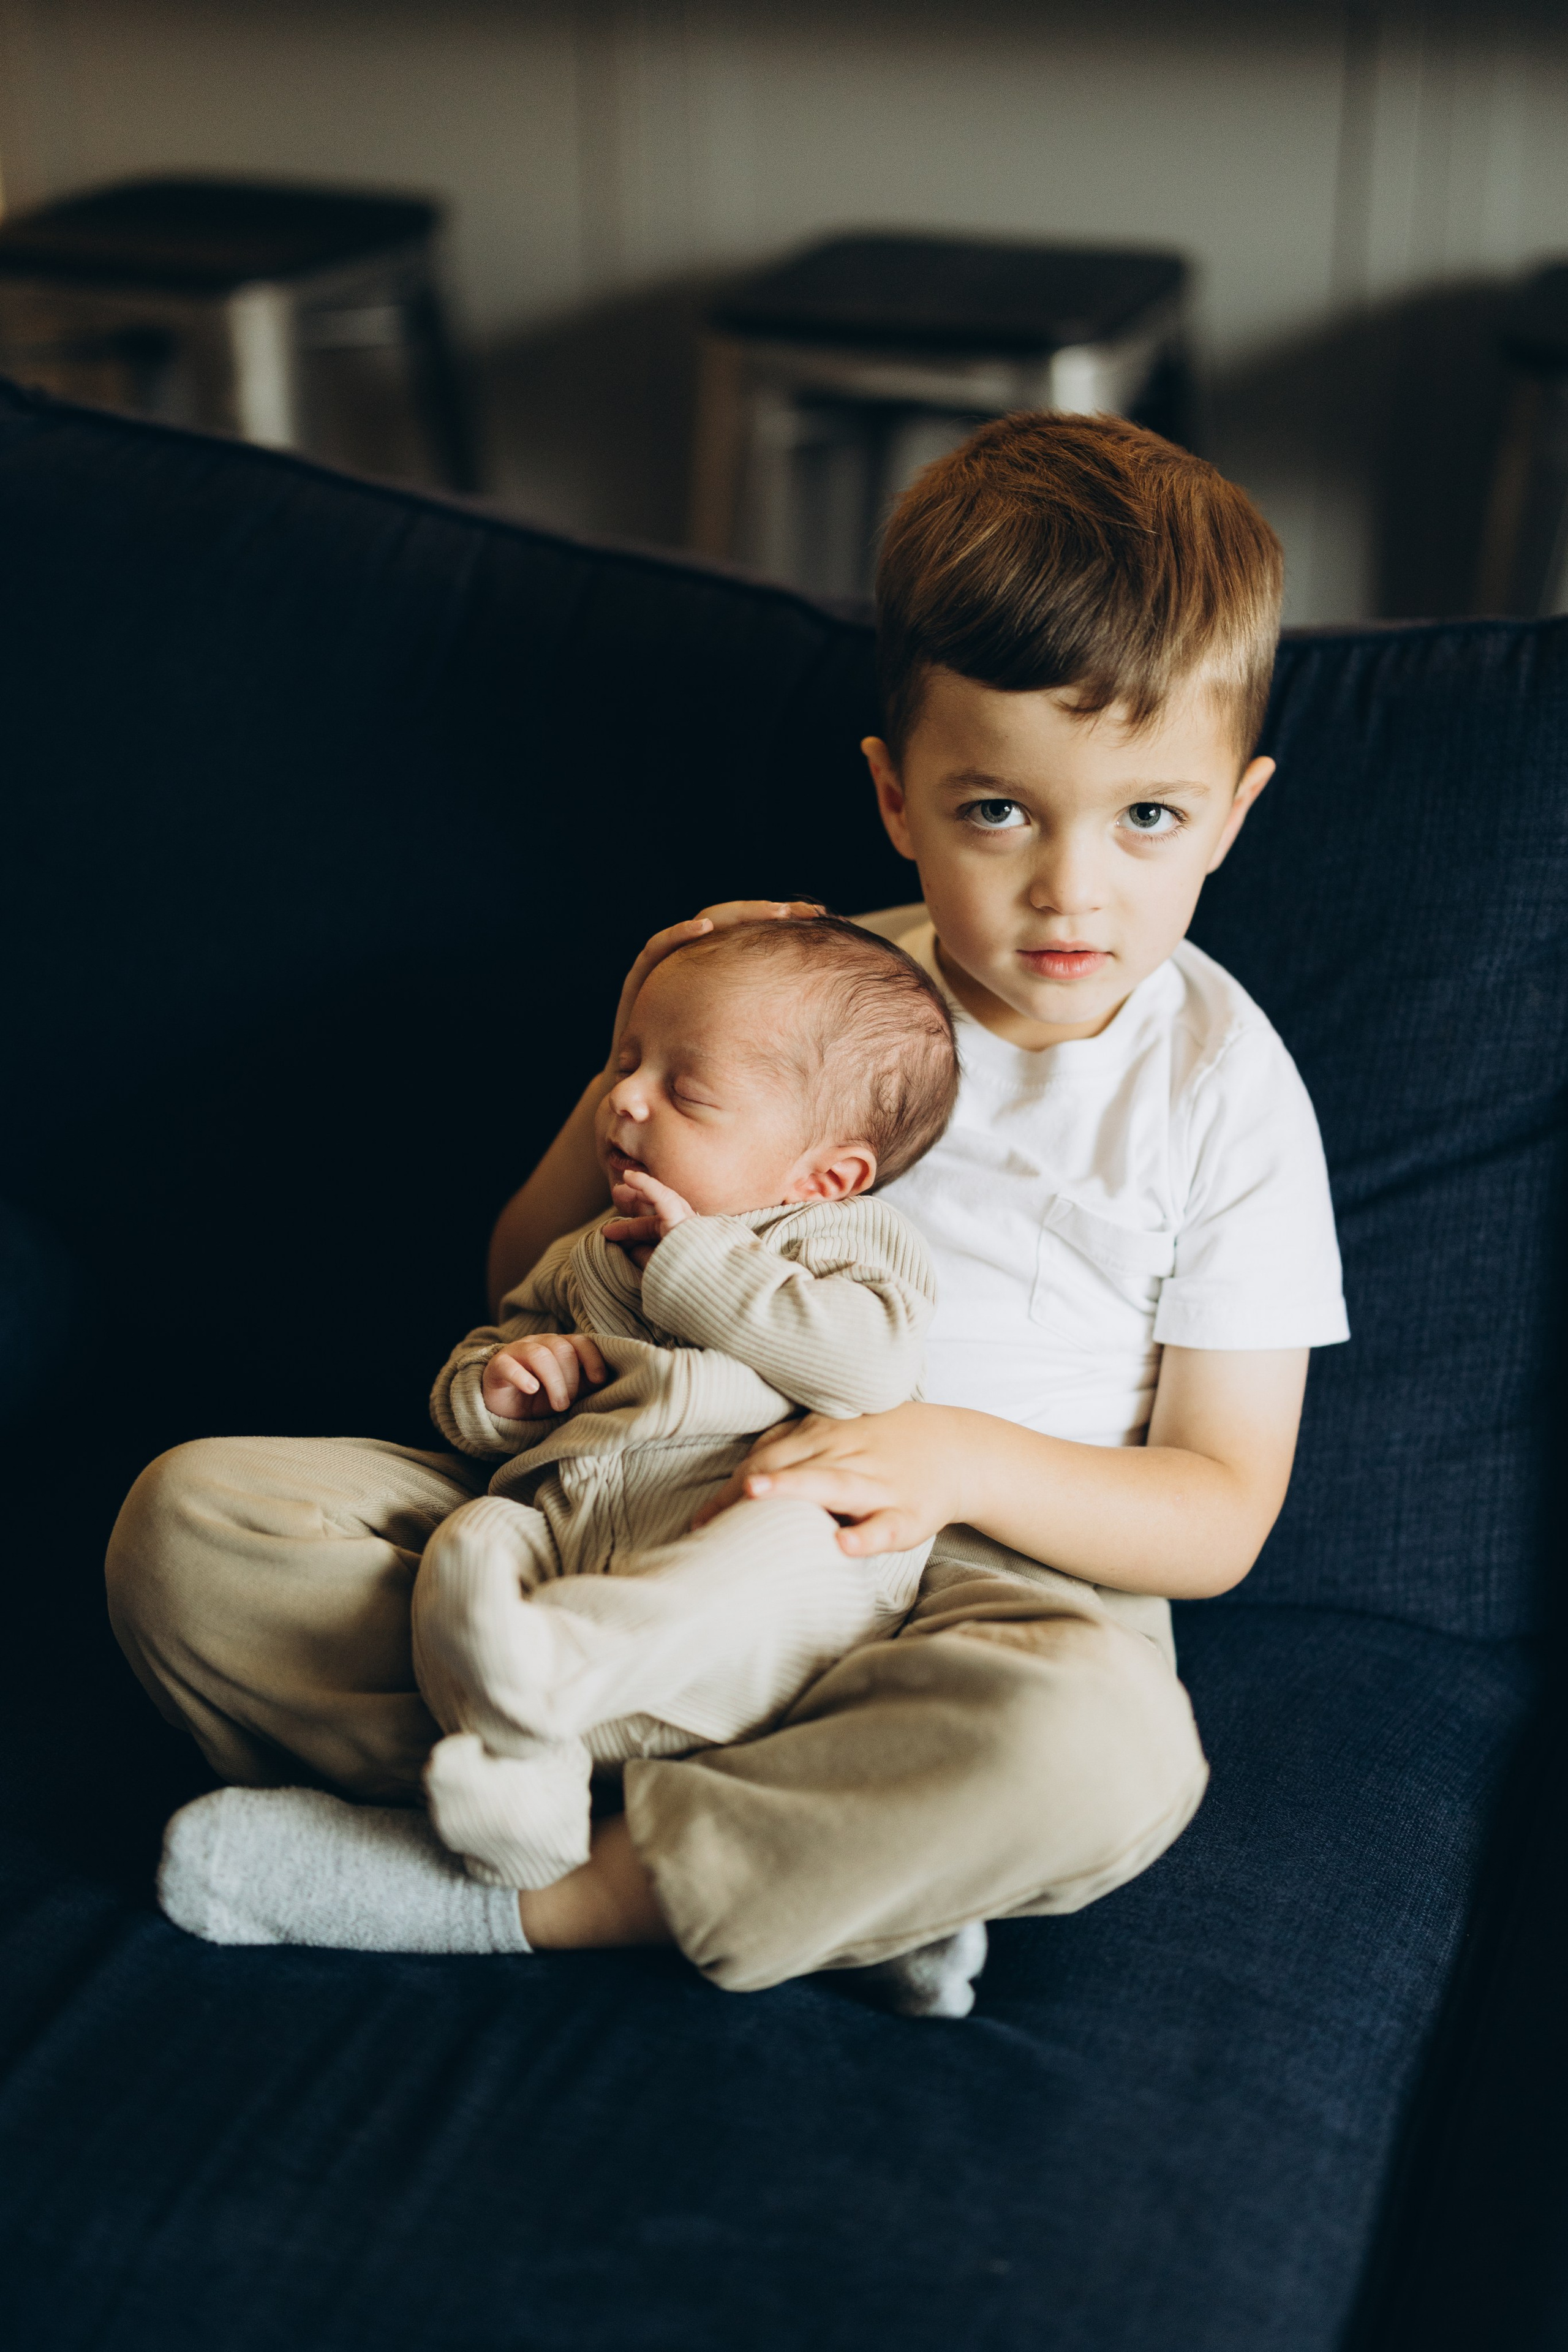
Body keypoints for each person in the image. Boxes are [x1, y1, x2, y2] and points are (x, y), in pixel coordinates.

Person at [107, 409, 1347, 2020]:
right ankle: (827, 1855)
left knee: (1106, 1756)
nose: (1071, 890)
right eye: (999, 812)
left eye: (1147, 819)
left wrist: (957, 1455)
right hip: (639, 1482)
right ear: (898, 798)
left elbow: (1219, 1511)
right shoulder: (802, 984)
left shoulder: (1219, 1091)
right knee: (188, 1528)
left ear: (1236, 811)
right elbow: (521, 1271)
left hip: (973, 1577)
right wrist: (651, 1038)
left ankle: (557, 1889)